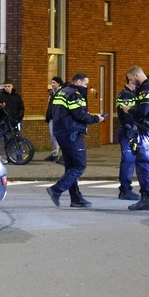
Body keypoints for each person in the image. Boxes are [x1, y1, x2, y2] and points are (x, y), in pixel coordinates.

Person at [45, 72, 105, 209]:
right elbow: (80, 115)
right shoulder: (75, 94)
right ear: (78, 82)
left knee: (71, 166)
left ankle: (76, 198)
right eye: (85, 84)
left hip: (60, 132)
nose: (86, 86)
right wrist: (96, 118)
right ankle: (56, 189)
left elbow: (67, 112)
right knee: (79, 165)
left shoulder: (61, 93)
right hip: (71, 133)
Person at [121, 66, 149, 211]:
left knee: (144, 164)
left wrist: (130, 109)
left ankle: (146, 198)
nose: (132, 82)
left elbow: (143, 110)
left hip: (146, 131)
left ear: (137, 74)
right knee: (148, 164)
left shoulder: (146, 89)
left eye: (132, 79)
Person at [115, 75, 140, 201]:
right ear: (131, 80)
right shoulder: (126, 95)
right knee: (128, 161)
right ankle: (125, 190)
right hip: (128, 132)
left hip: (128, 131)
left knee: (129, 161)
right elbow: (127, 115)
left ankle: (125, 189)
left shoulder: (130, 94)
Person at [45, 76, 64, 163]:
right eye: (52, 83)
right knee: (52, 136)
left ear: (59, 84)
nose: (52, 84)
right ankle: (54, 153)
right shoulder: (52, 93)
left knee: (57, 136)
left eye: (54, 83)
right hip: (52, 117)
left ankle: (57, 154)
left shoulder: (61, 93)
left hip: (58, 118)